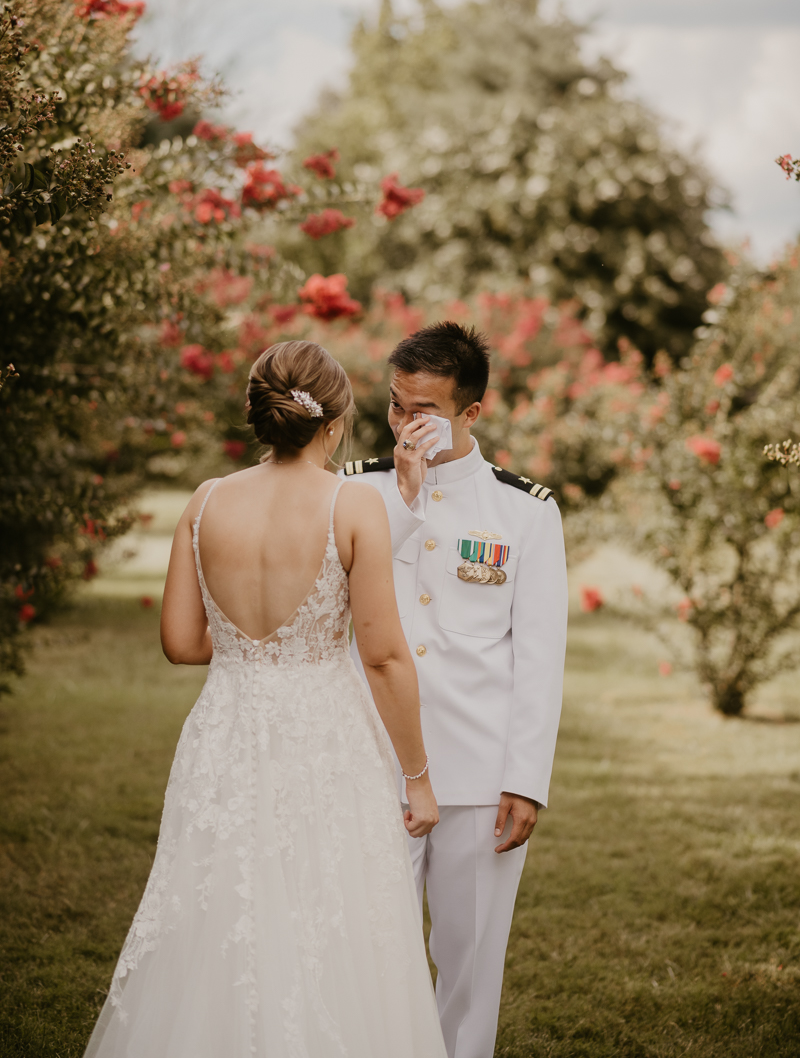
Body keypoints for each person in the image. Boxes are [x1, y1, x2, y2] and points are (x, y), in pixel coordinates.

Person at [84, 340, 447, 1058]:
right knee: (332, 916)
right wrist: (418, 777)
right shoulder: (354, 505)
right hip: (325, 735)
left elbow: (183, 643)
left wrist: (254, 652)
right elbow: (381, 655)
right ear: (334, 425)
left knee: (218, 907)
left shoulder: (206, 500)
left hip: (226, 729)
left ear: (259, 416)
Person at [341, 321, 568, 1058]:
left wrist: (526, 779)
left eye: (426, 410)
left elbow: (539, 655)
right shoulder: (356, 492)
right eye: (398, 406)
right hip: (371, 760)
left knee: (469, 966)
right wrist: (405, 496)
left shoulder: (525, 510)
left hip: (477, 771)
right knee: (375, 957)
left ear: (473, 412)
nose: (407, 424)